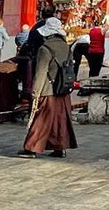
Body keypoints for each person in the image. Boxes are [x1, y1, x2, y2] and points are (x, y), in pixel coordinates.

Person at [19, 17, 77, 159]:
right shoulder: (66, 47)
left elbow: (40, 73)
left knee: (41, 120)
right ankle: (59, 148)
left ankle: (32, 148)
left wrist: (35, 92)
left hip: (47, 89)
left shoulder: (45, 49)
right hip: (63, 89)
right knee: (60, 121)